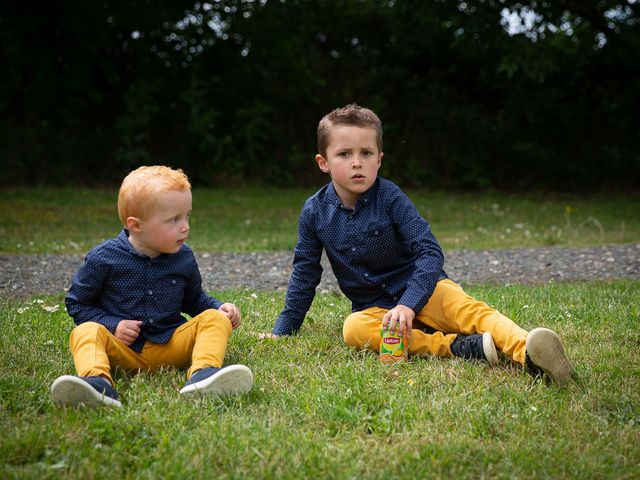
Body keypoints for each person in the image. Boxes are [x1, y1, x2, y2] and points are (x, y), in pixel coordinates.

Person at [261, 103, 573, 384]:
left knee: (472, 311)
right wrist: (283, 330)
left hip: (425, 289)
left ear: (379, 160)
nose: (357, 163)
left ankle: (529, 352)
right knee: (353, 329)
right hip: (377, 309)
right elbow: (305, 272)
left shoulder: (390, 197)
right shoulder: (314, 212)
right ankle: (457, 347)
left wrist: (409, 303)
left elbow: (429, 251)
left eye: (366, 153)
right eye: (344, 154)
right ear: (323, 162)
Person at [51, 165, 253, 408]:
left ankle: (203, 376)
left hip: (171, 346)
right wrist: (113, 325)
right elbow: (77, 303)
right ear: (136, 225)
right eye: (174, 219)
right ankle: (97, 383)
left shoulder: (184, 257)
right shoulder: (104, 258)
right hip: (124, 350)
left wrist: (221, 308)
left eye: (186, 215)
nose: (185, 226)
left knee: (214, 319)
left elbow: (195, 300)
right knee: (85, 332)